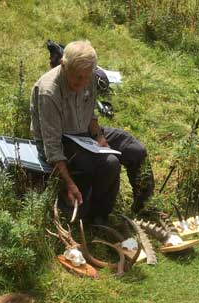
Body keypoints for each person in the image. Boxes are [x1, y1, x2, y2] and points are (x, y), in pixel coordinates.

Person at [30, 40, 153, 223]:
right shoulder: (50, 92)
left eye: (86, 78)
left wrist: (99, 136)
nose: (83, 83)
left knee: (135, 150)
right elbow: (52, 147)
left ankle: (144, 207)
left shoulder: (89, 77)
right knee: (110, 164)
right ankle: (97, 217)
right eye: (78, 78)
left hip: (84, 133)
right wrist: (69, 183)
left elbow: (91, 115)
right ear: (63, 66)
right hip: (62, 139)